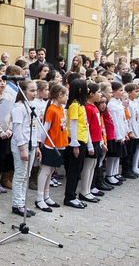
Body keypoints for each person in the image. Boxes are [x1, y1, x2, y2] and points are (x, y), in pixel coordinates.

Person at [35, 84, 68, 212]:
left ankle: (46, 195)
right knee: (46, 171)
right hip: (51, 145)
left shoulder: (61, 109)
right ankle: (39, 198)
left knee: (51, 171)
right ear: (60, 95)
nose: (67, 98)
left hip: (60, 144)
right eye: (65, 95)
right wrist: (42, 143)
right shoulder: (52, 110)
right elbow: (45, 129)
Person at [9, 80, 41, 216]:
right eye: (31, 91)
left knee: (26, 176)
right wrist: (22, 148)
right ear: (23, 91)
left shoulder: (32, 106)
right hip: (20, 145)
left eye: (36, 90)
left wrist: (37, 145)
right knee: (20, 175)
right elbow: (17, 130)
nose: (35, 93)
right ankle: (17, 204)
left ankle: (23, 202)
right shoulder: (19, 107)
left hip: (31, 144)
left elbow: (35, 128)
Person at [63, 79, 90, 209]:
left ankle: (72, 194)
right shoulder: (74, 105)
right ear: (80, 90)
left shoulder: (80, 104)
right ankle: (69, 196)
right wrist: (75, 145)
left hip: (82, 139)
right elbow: (72, 125)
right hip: (76, 140)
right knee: (74, 170)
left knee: (78, 169)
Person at [79, 83, 102, 203]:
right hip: (91, 141)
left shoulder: (95, 107)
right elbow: (86, 127)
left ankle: (88, 190)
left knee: (93, 166)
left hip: (97, 140)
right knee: (88, 166)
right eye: (99, 92)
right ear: (91, 94)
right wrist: (90, 144)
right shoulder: (87, 108)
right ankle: (84, 191)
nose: (101, 95)